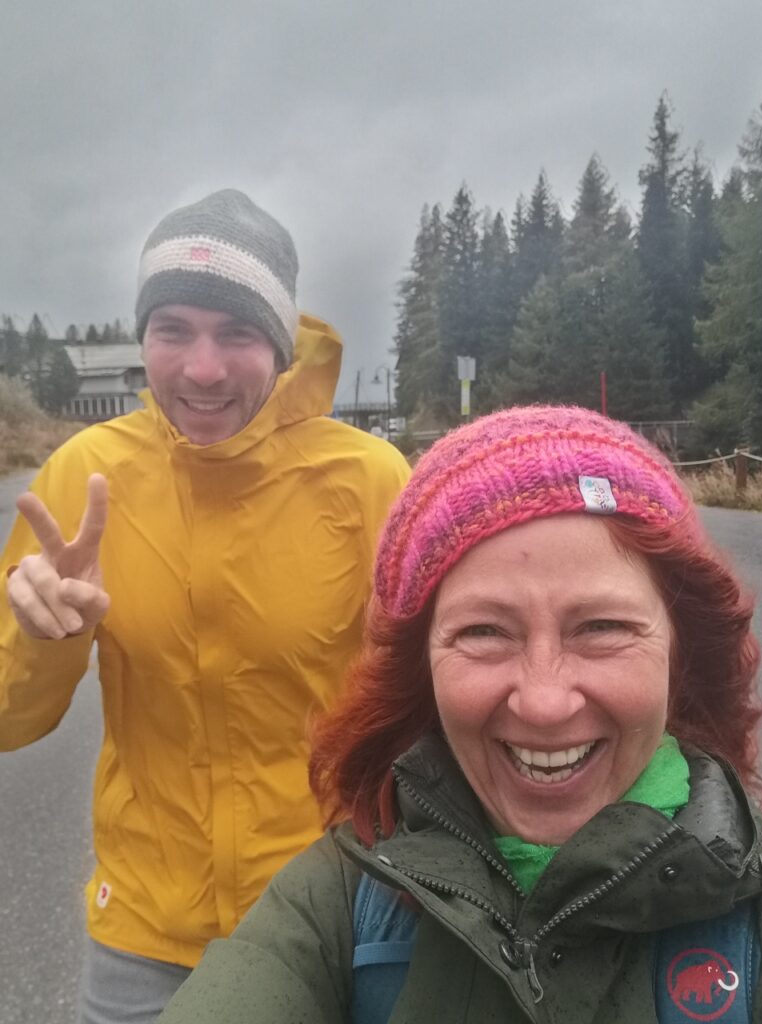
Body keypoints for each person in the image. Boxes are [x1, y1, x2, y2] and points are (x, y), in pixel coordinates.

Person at [158, 404, 762, 1023]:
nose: (545, 702)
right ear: (420, 668)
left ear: (681, 651)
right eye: (484, 632)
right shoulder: (341, 904)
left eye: (603, 627)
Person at [0, 189, 410, 1022]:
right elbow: (9, 718)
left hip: (328, 913)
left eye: (238, 332)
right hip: (145, 929)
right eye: (173, 329)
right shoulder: (85, 478)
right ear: (141, 338)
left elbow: (431, 698)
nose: (203, 367)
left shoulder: (369, 481)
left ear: (283, 344)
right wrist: (47, 638)